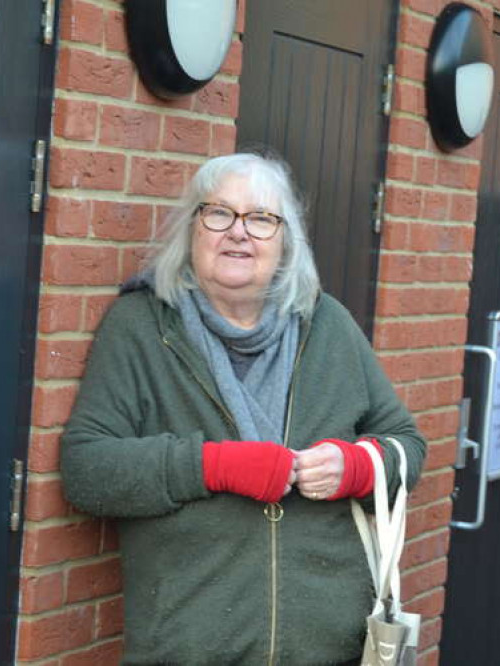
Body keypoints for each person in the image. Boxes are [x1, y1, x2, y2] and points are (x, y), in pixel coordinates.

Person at [61, 152, 426, 665]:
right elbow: (87, 469)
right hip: (189, 646)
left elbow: (407, 446)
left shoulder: (328, 325)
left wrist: (356, 467)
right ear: (193, 229)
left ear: (285, 242)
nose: (239, 232)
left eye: (260, 218)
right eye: (219, 214)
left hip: (328, 647)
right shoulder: (142, 327)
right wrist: (214, 466)